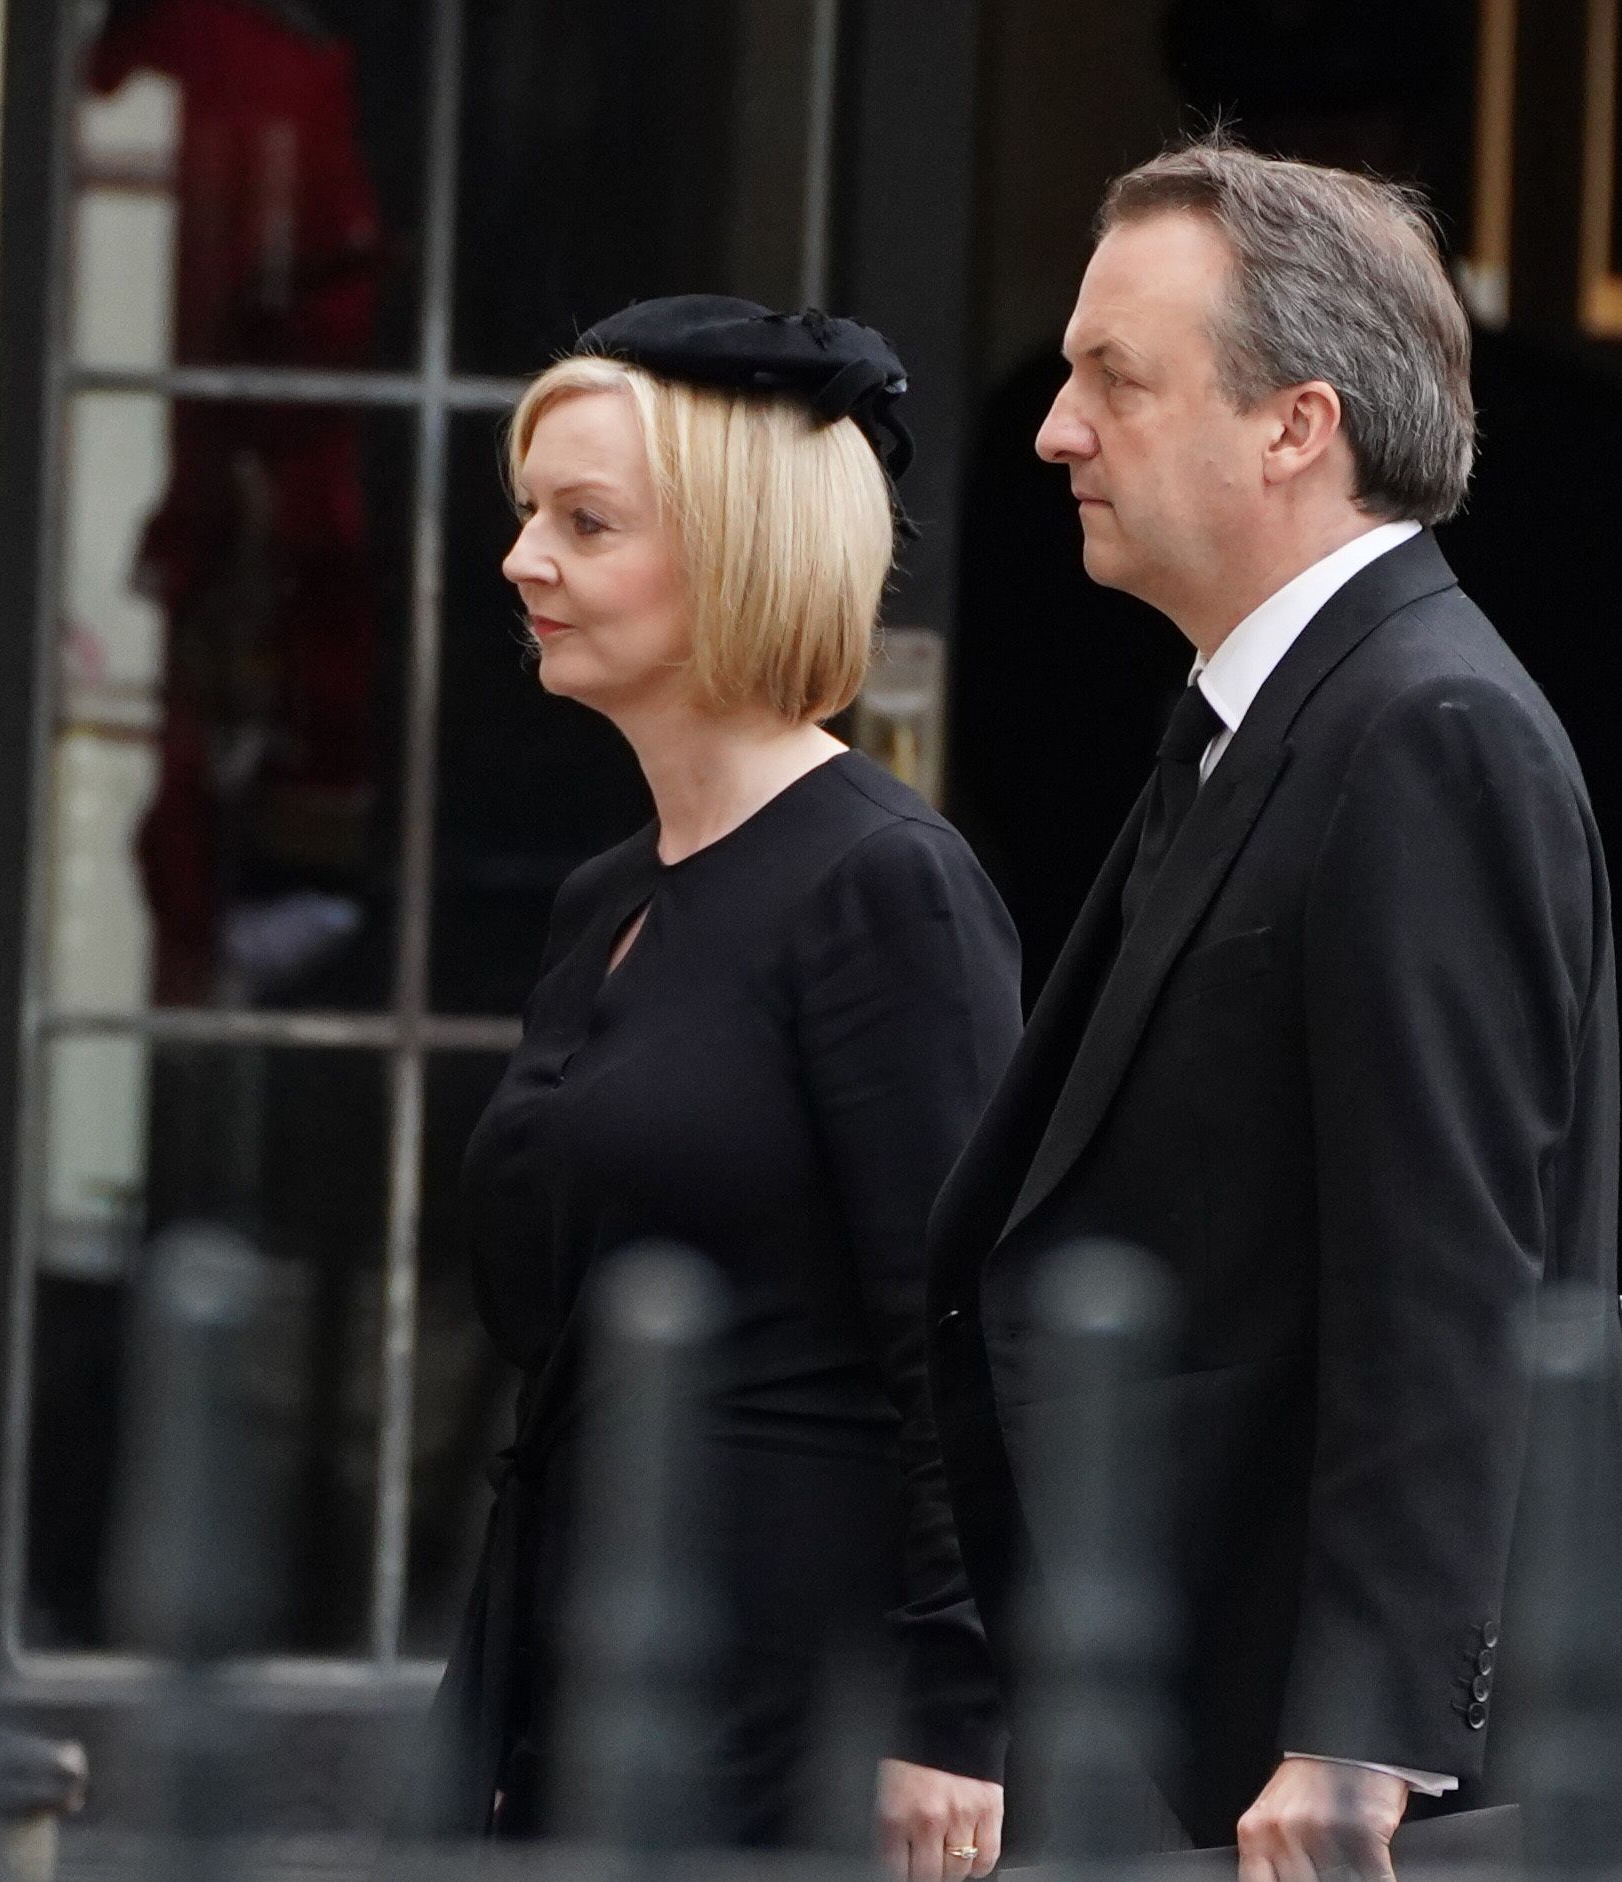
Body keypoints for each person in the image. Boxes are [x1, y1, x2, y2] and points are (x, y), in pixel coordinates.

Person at [925, 138, 1622, 1875]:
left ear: (1300, 424)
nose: (1053, 428)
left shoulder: (1427, 732)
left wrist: (1363, 1731)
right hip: (1180, 1708)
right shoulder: (1254, 714)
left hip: (1344, 1786)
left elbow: (1452, 1273)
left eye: (1113, 379)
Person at [422, 297, 1016, 1872]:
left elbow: (961, 1328)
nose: (523, 560)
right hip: (577, 1657)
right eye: (530, 513)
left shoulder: (887, 885)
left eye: (586, 522)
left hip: (789, 1701)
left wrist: (948, 1709)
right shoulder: (605, 893)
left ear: (738, 550)